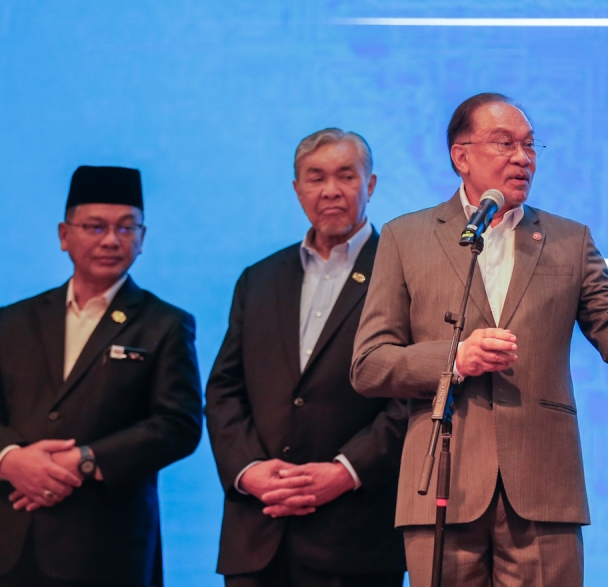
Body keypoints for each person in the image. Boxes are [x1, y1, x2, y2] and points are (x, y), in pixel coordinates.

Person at [351, 93, 608, 587]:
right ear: (461, 156)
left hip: (544, 487)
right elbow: (370, 364)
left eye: (530, 146)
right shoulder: (405, 237)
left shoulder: (570, 240)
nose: (523, 158)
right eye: (504, 143)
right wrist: (454, 359)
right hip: (444, 480)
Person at [206, 128, 408, 587]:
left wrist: (345, 471)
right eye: (315, 178)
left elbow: (415, 394)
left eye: (345, 175)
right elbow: (224, 390)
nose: (330, 190)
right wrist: (250, 471)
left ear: (370, 185)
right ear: (297, 189)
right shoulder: (258, 279)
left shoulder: (403, 273)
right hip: (257, 533)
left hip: (356, 535)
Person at [0, 165, 203, 587]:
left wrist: (87, 460)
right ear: (64, 235)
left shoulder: (164, 323)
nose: (111, 240)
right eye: (95, 227)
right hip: (14, 537)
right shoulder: (12, 321)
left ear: (142, 238)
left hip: (107, 546)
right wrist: (11, 459)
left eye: (126, 228)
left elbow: (179, 425)